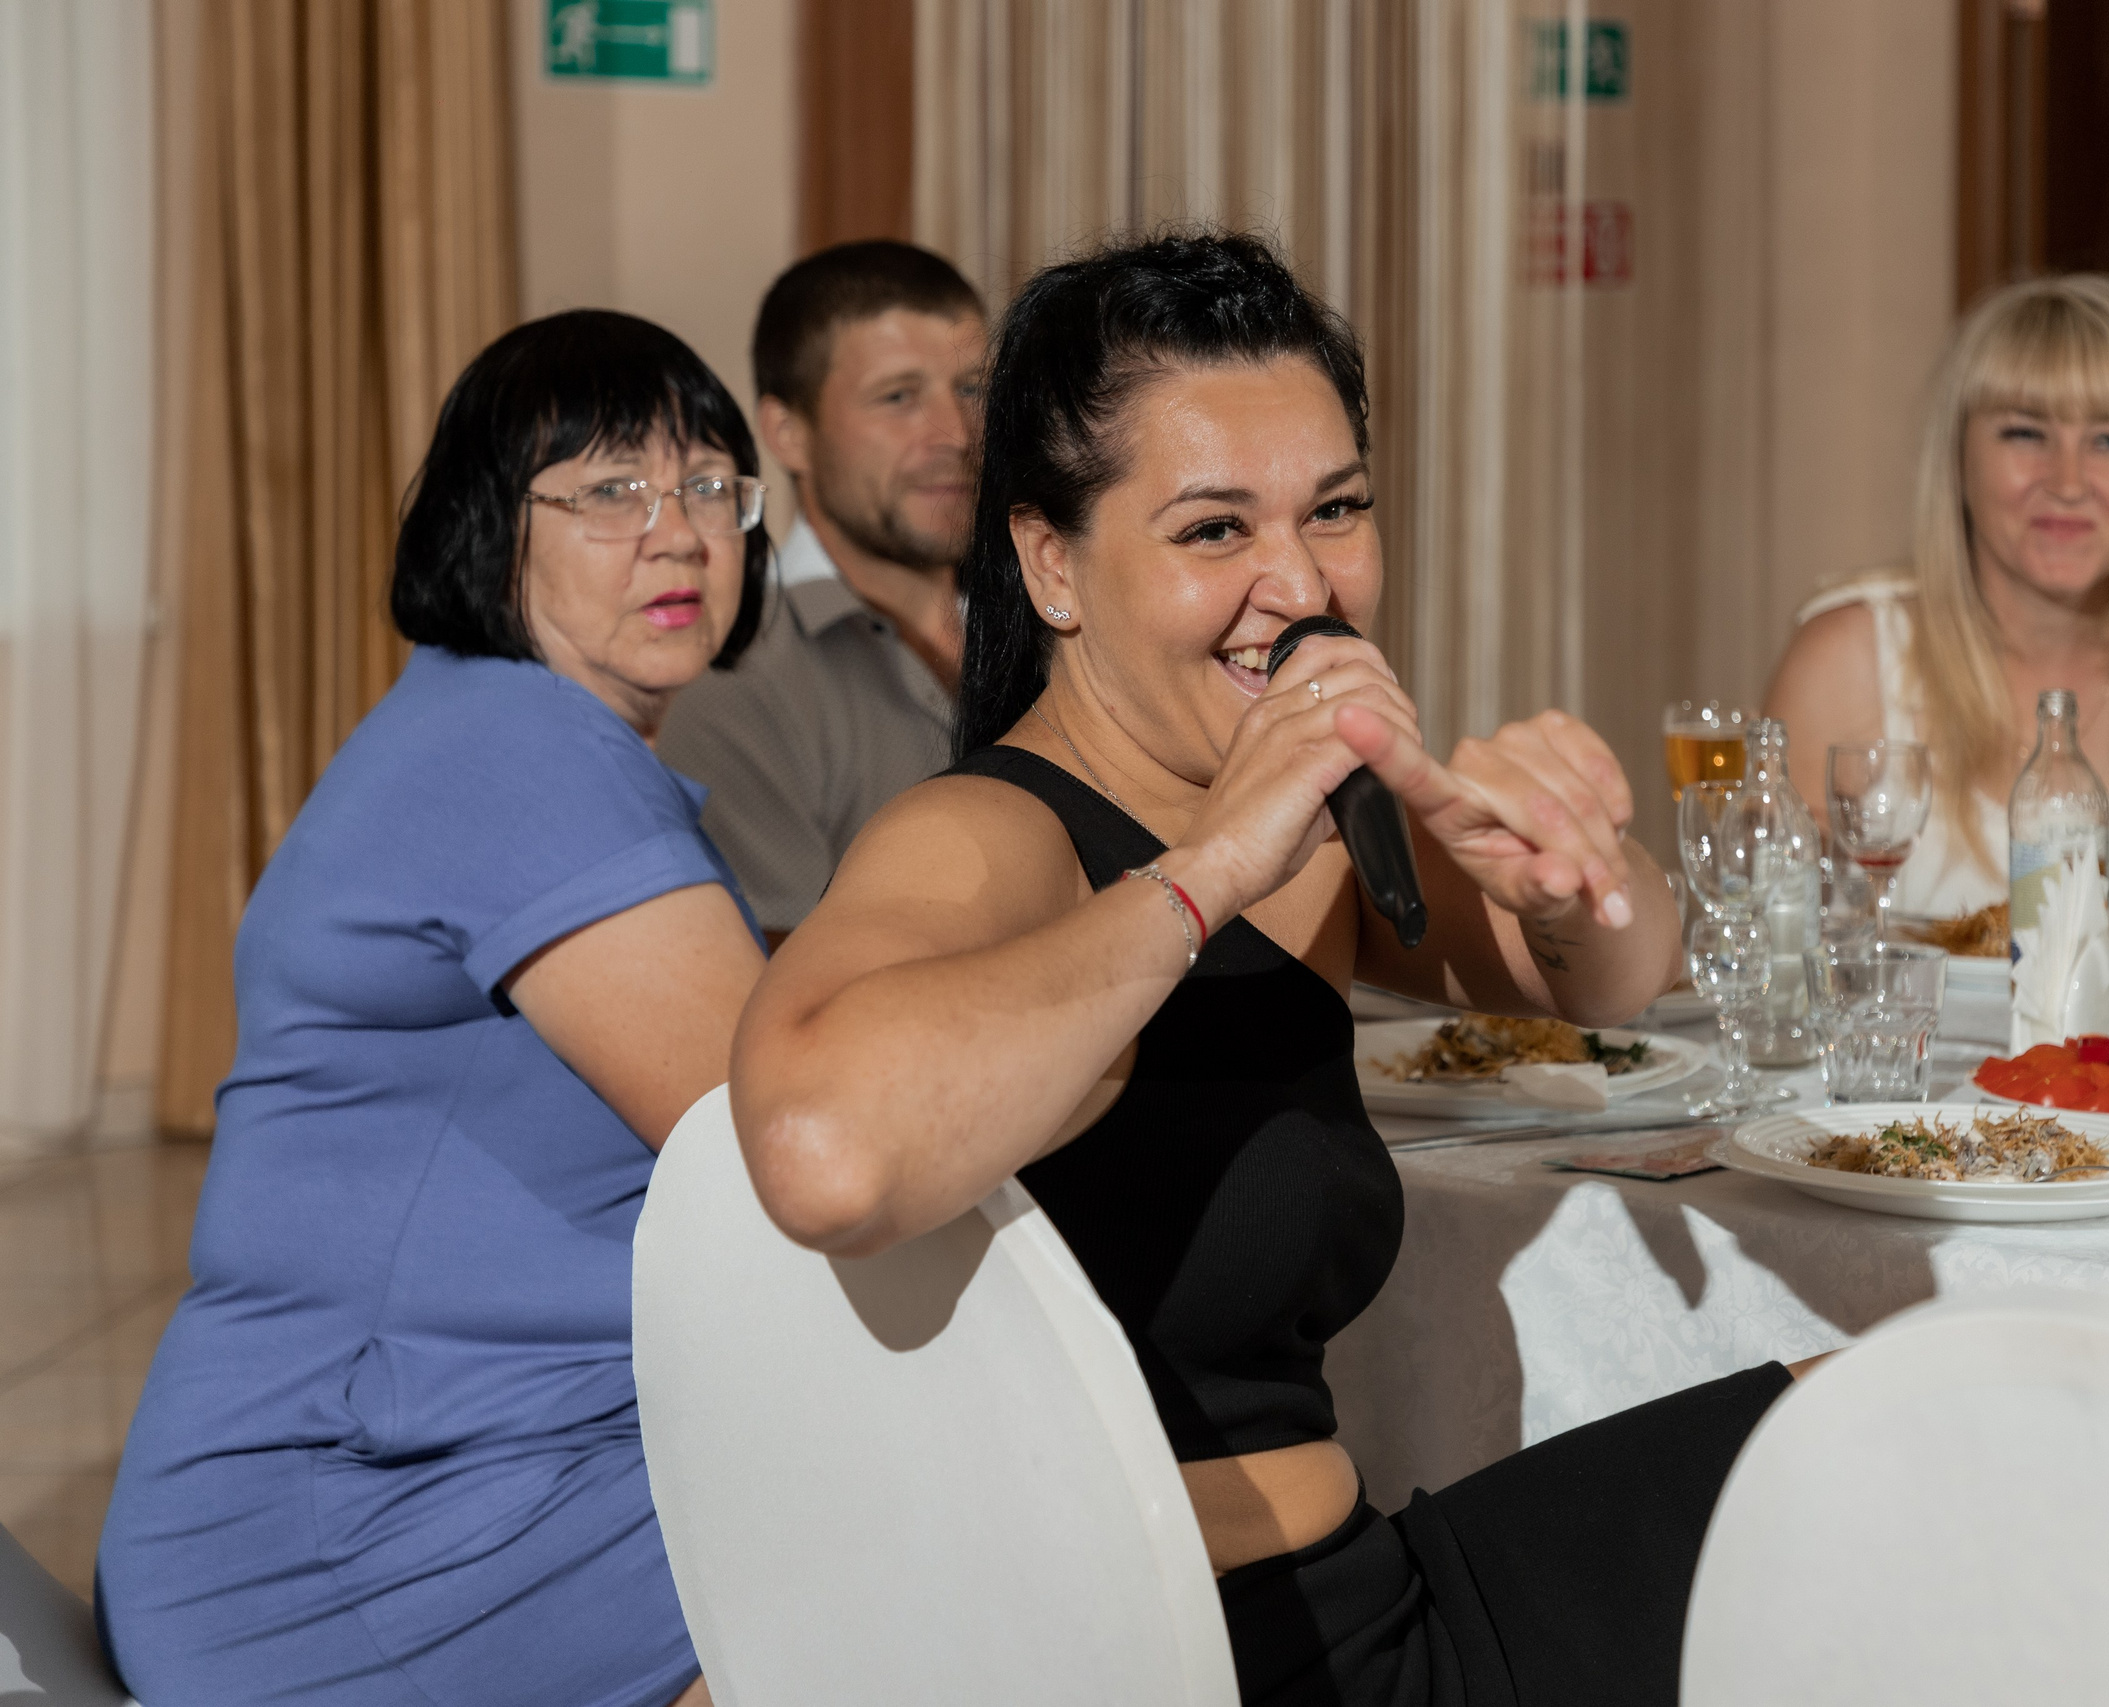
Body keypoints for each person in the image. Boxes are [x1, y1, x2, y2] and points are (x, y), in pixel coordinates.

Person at [727, 231, 1803, 1707]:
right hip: (1192, 1660)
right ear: (1051, 563)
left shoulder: (1311, 823)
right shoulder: (993, 831)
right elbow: (822, 1154)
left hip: (1350, 1607)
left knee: (1908, 1422)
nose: (1298, 583)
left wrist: (1573, 864)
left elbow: (1611, 979)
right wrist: (1211, 867)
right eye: (1214, 530)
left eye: (1335, 510)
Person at [97, 311, 772, 1707]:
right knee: (927, 1533)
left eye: (710, 485)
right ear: (492, 526)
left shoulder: (506, 729)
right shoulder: (521, 749)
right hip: (355, 1533)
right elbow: (785, 1137)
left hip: (456, 1465)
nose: (679, 535)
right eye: (612, 490)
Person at [1762, 272, 2109, 927]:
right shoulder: (1846, 659)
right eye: (2025, 433)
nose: (2069, 483)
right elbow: (1769, 946)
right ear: (1958, 458)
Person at [656, 240, 986, 943]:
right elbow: (791, 993)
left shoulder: (1058, 616)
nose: (957, 434)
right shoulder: (736, 679)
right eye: (899, 397)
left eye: (972, 389)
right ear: (788, 434)